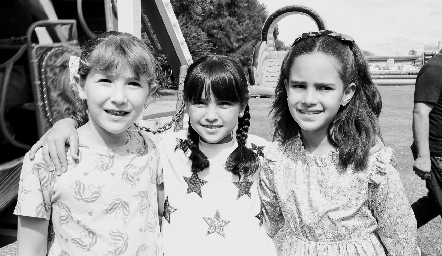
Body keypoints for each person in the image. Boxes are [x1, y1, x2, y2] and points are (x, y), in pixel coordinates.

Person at [28, 55, 277, 256]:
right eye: (200, 103)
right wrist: (66, 123)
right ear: (186, 105)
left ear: (243, 106)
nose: (211, 115)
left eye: (224, 104)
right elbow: (111, 123)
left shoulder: (264, 154)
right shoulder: (165, 147)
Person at [258, 30, 419, 255]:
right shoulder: (276, 160)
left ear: (347, 93)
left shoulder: (371, 162)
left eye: (324, 87)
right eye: (299, 86)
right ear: (286, 88)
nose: (309, 99)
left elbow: (401, 236)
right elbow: (265, 225)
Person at [14, 31, 162, 255]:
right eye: (105, 80)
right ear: (80, 85)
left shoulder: (154, 149)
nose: (119, 97)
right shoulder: (46, 160)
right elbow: (29, 250)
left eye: (133, 83)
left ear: (149, 93)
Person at [410, 47, 442, 228]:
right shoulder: (434, 70)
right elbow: (420, 113)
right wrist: (423, 157)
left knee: (434, 203)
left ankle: (393, 233)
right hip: (437, 153)